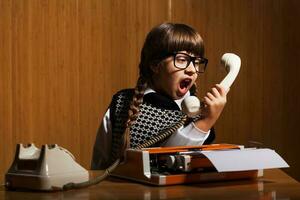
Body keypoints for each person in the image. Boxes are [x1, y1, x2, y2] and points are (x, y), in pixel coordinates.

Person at [91, 22, 228, 170]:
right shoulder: (128, 104)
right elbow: (163, 163)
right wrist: (205, 122)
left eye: (196, 62)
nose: (192, 70)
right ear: (155, 65)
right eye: (182, 59)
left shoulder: (196, 110)